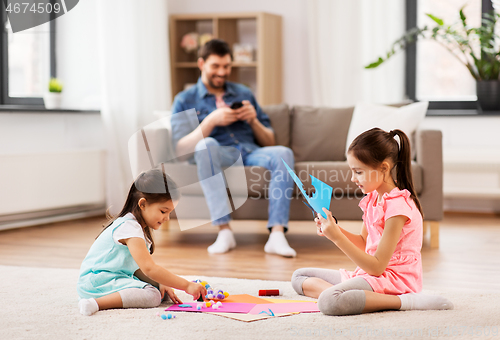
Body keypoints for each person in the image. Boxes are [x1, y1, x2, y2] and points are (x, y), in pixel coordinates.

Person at [291, 128, 453, 315]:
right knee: (299, 276)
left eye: (358, 172)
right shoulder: (373, 198)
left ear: (383, 168)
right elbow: (363, 241)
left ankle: (405, 301)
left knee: (329, 301)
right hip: (371, 274)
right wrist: (335, 229)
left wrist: (337, 238)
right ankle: (355, 293)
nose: (353, 179)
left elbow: (377, 267)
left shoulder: (397, 207)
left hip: (395, 279)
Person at [170, 39, 296, 257]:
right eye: (215, 66)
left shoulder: (243, 92)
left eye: (227, 66)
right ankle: (224, 230)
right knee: (206, 145)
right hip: (220, 153)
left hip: (250, 151)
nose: (222, 72)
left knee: (283, 152)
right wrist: (210, 121)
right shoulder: (184, 99)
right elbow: (181, 148)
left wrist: (254, 120)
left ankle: (276, 234)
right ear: (201, 64)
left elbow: (270, 141)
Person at [76, 168, 206, 316]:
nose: (167, 218)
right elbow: (149, 268)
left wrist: (159, 283)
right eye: (163, 211)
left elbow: (135, 268)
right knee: (152, 296)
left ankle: (99, 300)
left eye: (170, 212)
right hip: (97, 282)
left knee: (157, 290)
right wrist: (187, 286)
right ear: (142, 204)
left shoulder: (133, 226)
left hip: (104, 279)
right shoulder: (129, 227)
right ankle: (94, 304)